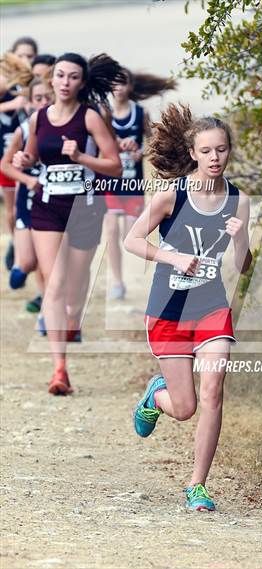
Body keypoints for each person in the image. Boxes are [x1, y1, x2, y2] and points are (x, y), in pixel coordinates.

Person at [124, 104, 252, 511]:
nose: (216, 158)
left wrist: (240, 238)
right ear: (194, 153)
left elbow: (245, 265)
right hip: (169, 309)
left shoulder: (238, 201)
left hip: (212, 306)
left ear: (229, 151)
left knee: (214, 390)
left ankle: (197, 485)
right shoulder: (172, 195)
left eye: (222, 150)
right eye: (207, 151)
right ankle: (154, 397)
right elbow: (132, 240)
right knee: (185, 408)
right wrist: (171, 257)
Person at [13, 52, 124, 395]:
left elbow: (115, 166)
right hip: (47, 207)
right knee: (55, 284)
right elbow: (32, 155)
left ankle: (74, 319)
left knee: (75, 288)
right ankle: (59, 369)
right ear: (52, 79)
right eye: (60, 75)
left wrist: (80, 157)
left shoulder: (90, 117)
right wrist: (24, 159)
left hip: (84, 208)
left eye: (72, 77)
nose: (64, 82)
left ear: (82, 82)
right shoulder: (39, 118)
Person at [105, 69, 175, 300]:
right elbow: (97, 141)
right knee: (112, 231)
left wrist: (140, 153)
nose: (118, 88)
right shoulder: (104, 114)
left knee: (129, 234)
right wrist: (113, 146)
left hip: (132, 185)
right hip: (109, 183)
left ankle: (139, 279)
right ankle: (117, 281)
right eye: (114, 83)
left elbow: (151, 143)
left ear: (130, 86)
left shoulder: (140, 113)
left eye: (122, 83)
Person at [1, 77, 54, 333]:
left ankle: (47, 311)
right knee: (29, 262)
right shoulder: (24, 128)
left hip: (53, 204)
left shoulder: (64, 128)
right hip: (27, 201)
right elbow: (5, 165)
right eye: (38, 99)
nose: (43, 103)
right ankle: (20, 266)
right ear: (30, 102)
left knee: (47, 263)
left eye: (47, 98)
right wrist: (27, 179)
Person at [0, 52, 33, 270]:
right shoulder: (8, 97)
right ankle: (16, 241)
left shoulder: (28, 90)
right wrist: (12, 104)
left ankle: (27, 248)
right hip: (5, 159)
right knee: (11, 211)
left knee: (26, 207)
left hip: (27, 159)